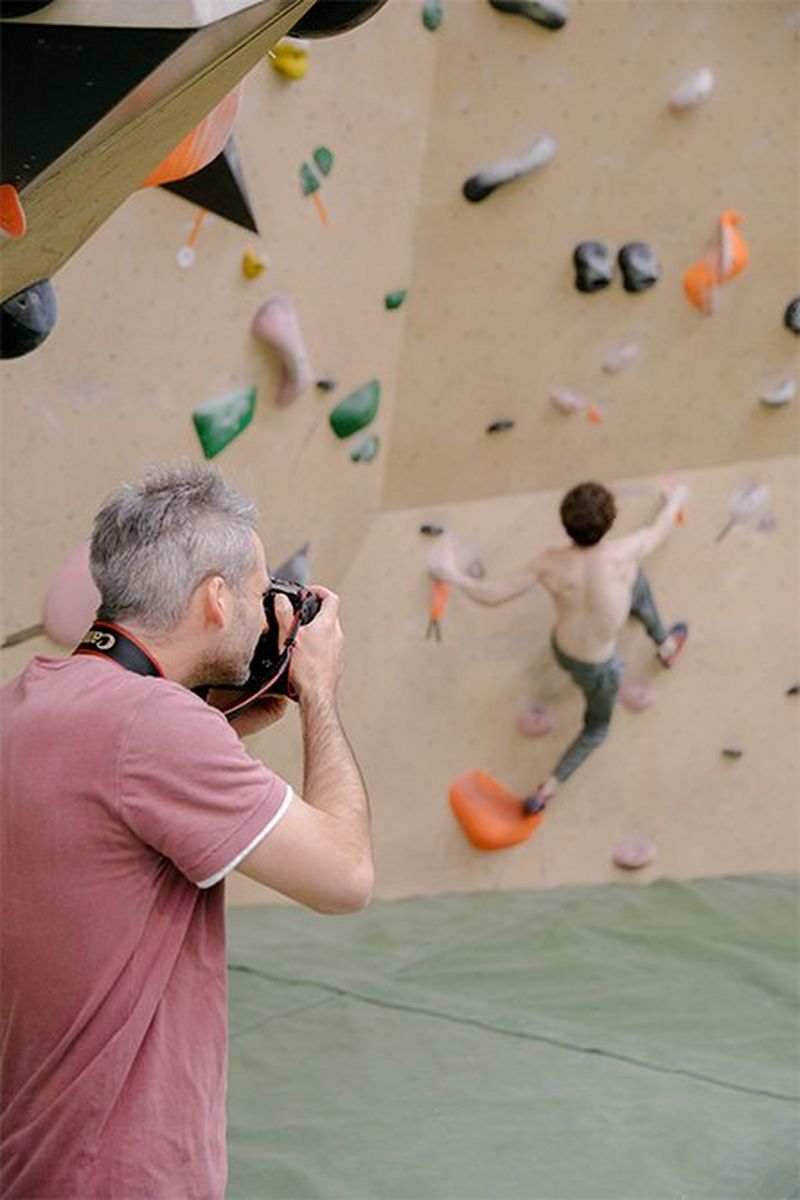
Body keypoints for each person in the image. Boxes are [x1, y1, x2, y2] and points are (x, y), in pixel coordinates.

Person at [0, 462, 373, 1200]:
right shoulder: (157, 728)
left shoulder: (24, 702)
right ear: (215, 598)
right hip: (120, 1174)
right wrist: (319, 694)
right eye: (260, 592)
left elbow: (111, 806)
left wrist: (219, 728)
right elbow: (345, 876)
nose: (267, 613)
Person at [431, 479, 689, 815]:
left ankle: (666, 644)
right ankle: (547, 789)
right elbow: (661, 527)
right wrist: (676, 498)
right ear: (611, 520)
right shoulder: (625, 551)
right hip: (599, 667)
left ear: (565, 523)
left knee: (636, 582)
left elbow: (493, 595)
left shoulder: (549, 562)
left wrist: (451, 573)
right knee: (597, 728)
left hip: (564, 650)